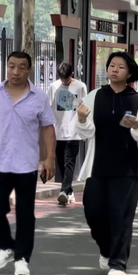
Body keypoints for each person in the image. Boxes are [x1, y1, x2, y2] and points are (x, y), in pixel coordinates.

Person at [0, 51, 56, 275]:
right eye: (12, 66)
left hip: (26, 166)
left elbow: (47, 128)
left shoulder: (39, 97)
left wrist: (49, 158)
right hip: (0, 163)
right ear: (7, 67)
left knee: (26, 214)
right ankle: (7, 245)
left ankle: (22, 258)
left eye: (21, 67)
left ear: (29, 70)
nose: (16, 72)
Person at [75, 52, 138, 275]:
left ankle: (118, 264)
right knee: (93, 212)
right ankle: (105, 249)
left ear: (129, 73)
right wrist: (81, 119)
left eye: (120, 67)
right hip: (98, 167)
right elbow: (85, 132)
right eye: (111, 65)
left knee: (121, 216)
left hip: (128, 169)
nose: (114, 70)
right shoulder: (94, 96)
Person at [46, 62, 87, 206]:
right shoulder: (54, 87)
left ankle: (63, 191)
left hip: (74, 131)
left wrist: (84, 128)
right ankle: (69, 191)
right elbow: (48, 108)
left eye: (67, 79)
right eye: (62, 79)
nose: (64, 82)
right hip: (58, 132)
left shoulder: (80, 87)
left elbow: (85, 108)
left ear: (72, 74)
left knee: (69, 162)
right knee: (61, 163)